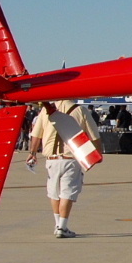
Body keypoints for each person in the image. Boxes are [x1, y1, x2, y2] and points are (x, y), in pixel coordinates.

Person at [25, 100, 100, 238]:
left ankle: (57, 224)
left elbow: (36, 134)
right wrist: (97, 153)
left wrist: (33, 153)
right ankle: (62, 226)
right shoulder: (81, 110)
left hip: (51, 159)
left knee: (54, 192)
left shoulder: (45, 110)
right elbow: (94, 135)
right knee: (67, 192)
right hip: (71, 158)